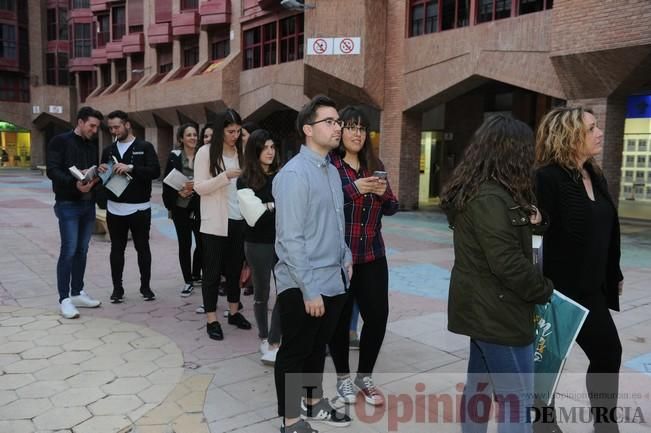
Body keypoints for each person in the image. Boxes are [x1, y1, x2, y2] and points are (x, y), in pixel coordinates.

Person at [440, 114, 553, 433]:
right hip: (497, 310)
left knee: (480, 389)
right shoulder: (490, 197)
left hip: (489, 308)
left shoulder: (498, 192)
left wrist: (537, 222)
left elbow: (515, 238)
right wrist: (543, 289)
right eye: (526, 149)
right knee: (516, 401)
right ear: (511, 152)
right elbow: (506, 261)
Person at [535, 107, 623, 433]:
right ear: (570, 135)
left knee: (608, 352)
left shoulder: (594, 175)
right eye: (591, 128)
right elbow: (535, 234)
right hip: (556, 293)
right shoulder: (546, 178)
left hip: (591, 289)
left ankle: (606, 426)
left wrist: (613, 273)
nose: (599, 132)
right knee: (548, 367)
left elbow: (607, 229)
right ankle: (544, 426)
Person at [273, 95, 353, 433]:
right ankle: (291, 421)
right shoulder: (294, 174)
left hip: (332, 278)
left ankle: (312, 402)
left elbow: (335, 221)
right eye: (330, 122)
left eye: (339, 122)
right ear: (308, 129)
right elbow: (290, 240)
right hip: (302, 283)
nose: (338, 128)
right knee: (295, 352)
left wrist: (346, 255)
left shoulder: (332, 171)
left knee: (317, 348)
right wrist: (309, 289)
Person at [327, 105, 398, 407]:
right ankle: (343, 378)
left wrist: (381, 193)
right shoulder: (329, 166)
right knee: (340, 322)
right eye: (351, 127)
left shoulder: (374, 163)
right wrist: (355, 188)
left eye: (361, 128)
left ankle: (363, 376)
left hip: (372, 254)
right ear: (341, 131)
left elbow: (393, 206)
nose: (357, 133)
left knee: (378, 318)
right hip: (339, 257)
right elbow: (323, 203)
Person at [194, 108, 252, 341]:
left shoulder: (241, 152)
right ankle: (211, 319)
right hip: (215, 223)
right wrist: (225, 176)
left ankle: (234, 311)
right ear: (220, 130)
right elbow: (199, 187)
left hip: (239, 220)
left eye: (238, 131)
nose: (235, 135)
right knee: (212, 272)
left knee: (235, 270)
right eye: (230, 131)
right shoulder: (206, 152)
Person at [46, 106, 104, 319]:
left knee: (82, 250)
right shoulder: (59, 141)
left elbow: (91, 170)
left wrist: (96, 177)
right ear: (80, 122)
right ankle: (64, 299)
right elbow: (53, 171)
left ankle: (77, 292)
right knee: (69, 250)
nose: (94, 130)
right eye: (92, 126)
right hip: (67, 203)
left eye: (97, 127)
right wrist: (74, 184)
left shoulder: (91, 144)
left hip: (88, 204)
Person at [100, 110, 160, 303]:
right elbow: (104, 176)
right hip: (114, 208)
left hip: (139, 208)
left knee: (142, 248)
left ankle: (146, 287)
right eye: (110, 128)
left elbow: (155, 171)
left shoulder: (145, 146)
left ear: (127, 125)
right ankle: (117, 289)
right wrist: (101, 170)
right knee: (117, 249)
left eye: (116, 127)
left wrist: (131, 168)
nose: (114, 131)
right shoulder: (108, 150)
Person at [236, 129, 282, 365]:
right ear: (254, 151)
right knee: (262, 294)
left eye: (272, 147)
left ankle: (275, 340)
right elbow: (256, 217)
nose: (270, 152)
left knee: (286, 291)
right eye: (265, 147)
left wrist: (267, 206)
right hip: (257, 244)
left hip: (283, 242)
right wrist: (275, 206)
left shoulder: (283, 176)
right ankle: (264, 337)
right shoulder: (244, 180)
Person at [163, 123, 202, 297]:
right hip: (180, 207)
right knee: (184, 244)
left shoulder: (203, 155)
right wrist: (178, 192)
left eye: (195, 134)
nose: (193, 137)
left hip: (200, 206)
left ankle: (196, 274)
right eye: (189, 135)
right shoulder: (174, 156)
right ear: (181, 139)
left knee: (202, 243)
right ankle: (188, 281)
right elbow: (167, 181)